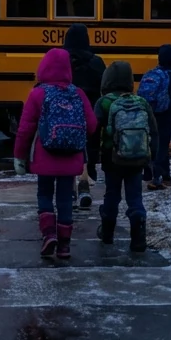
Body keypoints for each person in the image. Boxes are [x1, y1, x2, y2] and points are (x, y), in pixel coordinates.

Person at [13, 48, 98, 259]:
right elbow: (92, 126)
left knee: (44, 194)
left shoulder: (38, 93)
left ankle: (49, 234)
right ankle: (65, 245)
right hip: (72, 157)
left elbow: (25, 130)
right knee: (65, 199)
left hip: (45, 156)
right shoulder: (77, 93)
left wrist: (19, 156)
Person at [94, 61, 156, 253]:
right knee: (135, 196)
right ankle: (138, 237)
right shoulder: (140, 103)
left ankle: (107, 233)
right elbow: (153, 132)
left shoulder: (104, 103)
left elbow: (94, 132)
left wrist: (90, 160)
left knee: (112, 194)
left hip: (111, 159)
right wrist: (150, 161)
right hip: (137, 159)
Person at [62, 24, 106, 209]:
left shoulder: (62, 60)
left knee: (68, 149)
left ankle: (70, 188)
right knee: (90, 146)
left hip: (66, 111)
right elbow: (103, 85)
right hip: (91, 110)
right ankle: (87, 179)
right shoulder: (96, 62)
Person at [142, 44, 171, 190]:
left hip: (151, 112)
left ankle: (161, 172)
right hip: (166, 114)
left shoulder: (153, 73)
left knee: (153, 142)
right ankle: (158, 175)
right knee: (163, 144)